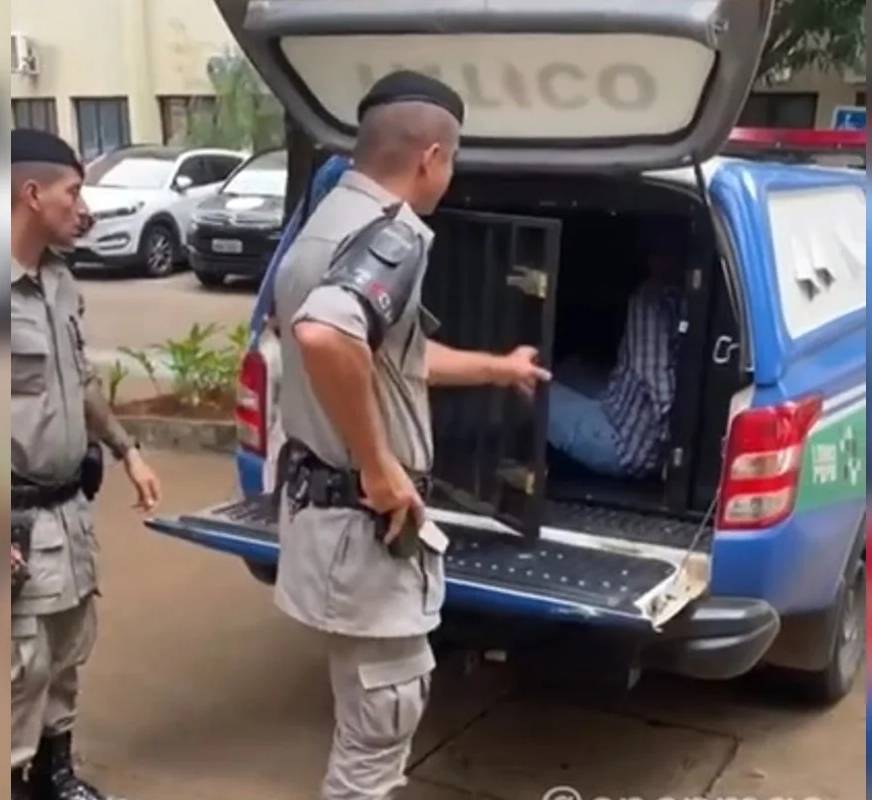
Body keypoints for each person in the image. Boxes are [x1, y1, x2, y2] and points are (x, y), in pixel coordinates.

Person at [272, 71, 549, 799]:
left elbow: (387, 356)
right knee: (377, 733)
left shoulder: (325, 223)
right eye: (450, 162)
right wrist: (379, 465)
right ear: (431, 157)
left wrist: (498, 368)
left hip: (326, 522)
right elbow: (328, 335)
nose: (448, 178)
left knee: (365, 719)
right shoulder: (391, 234)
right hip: (365, 531)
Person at [10, 129, 162, 800]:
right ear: (31, 193)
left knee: (66, 653)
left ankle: (54, 776)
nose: (84, 208)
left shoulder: (58, 280)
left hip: (65, 515)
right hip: (8, 523)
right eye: (73, 193)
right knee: (13, 671)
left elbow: (81, 381)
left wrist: (128, 451)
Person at [547, 234, 686, 479]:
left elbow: (659, 385)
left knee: (526, 384)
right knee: (569, 367)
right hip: (621, 407)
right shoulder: (683, 295)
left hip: (626, 446)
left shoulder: (649, 301)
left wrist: (674, 456)